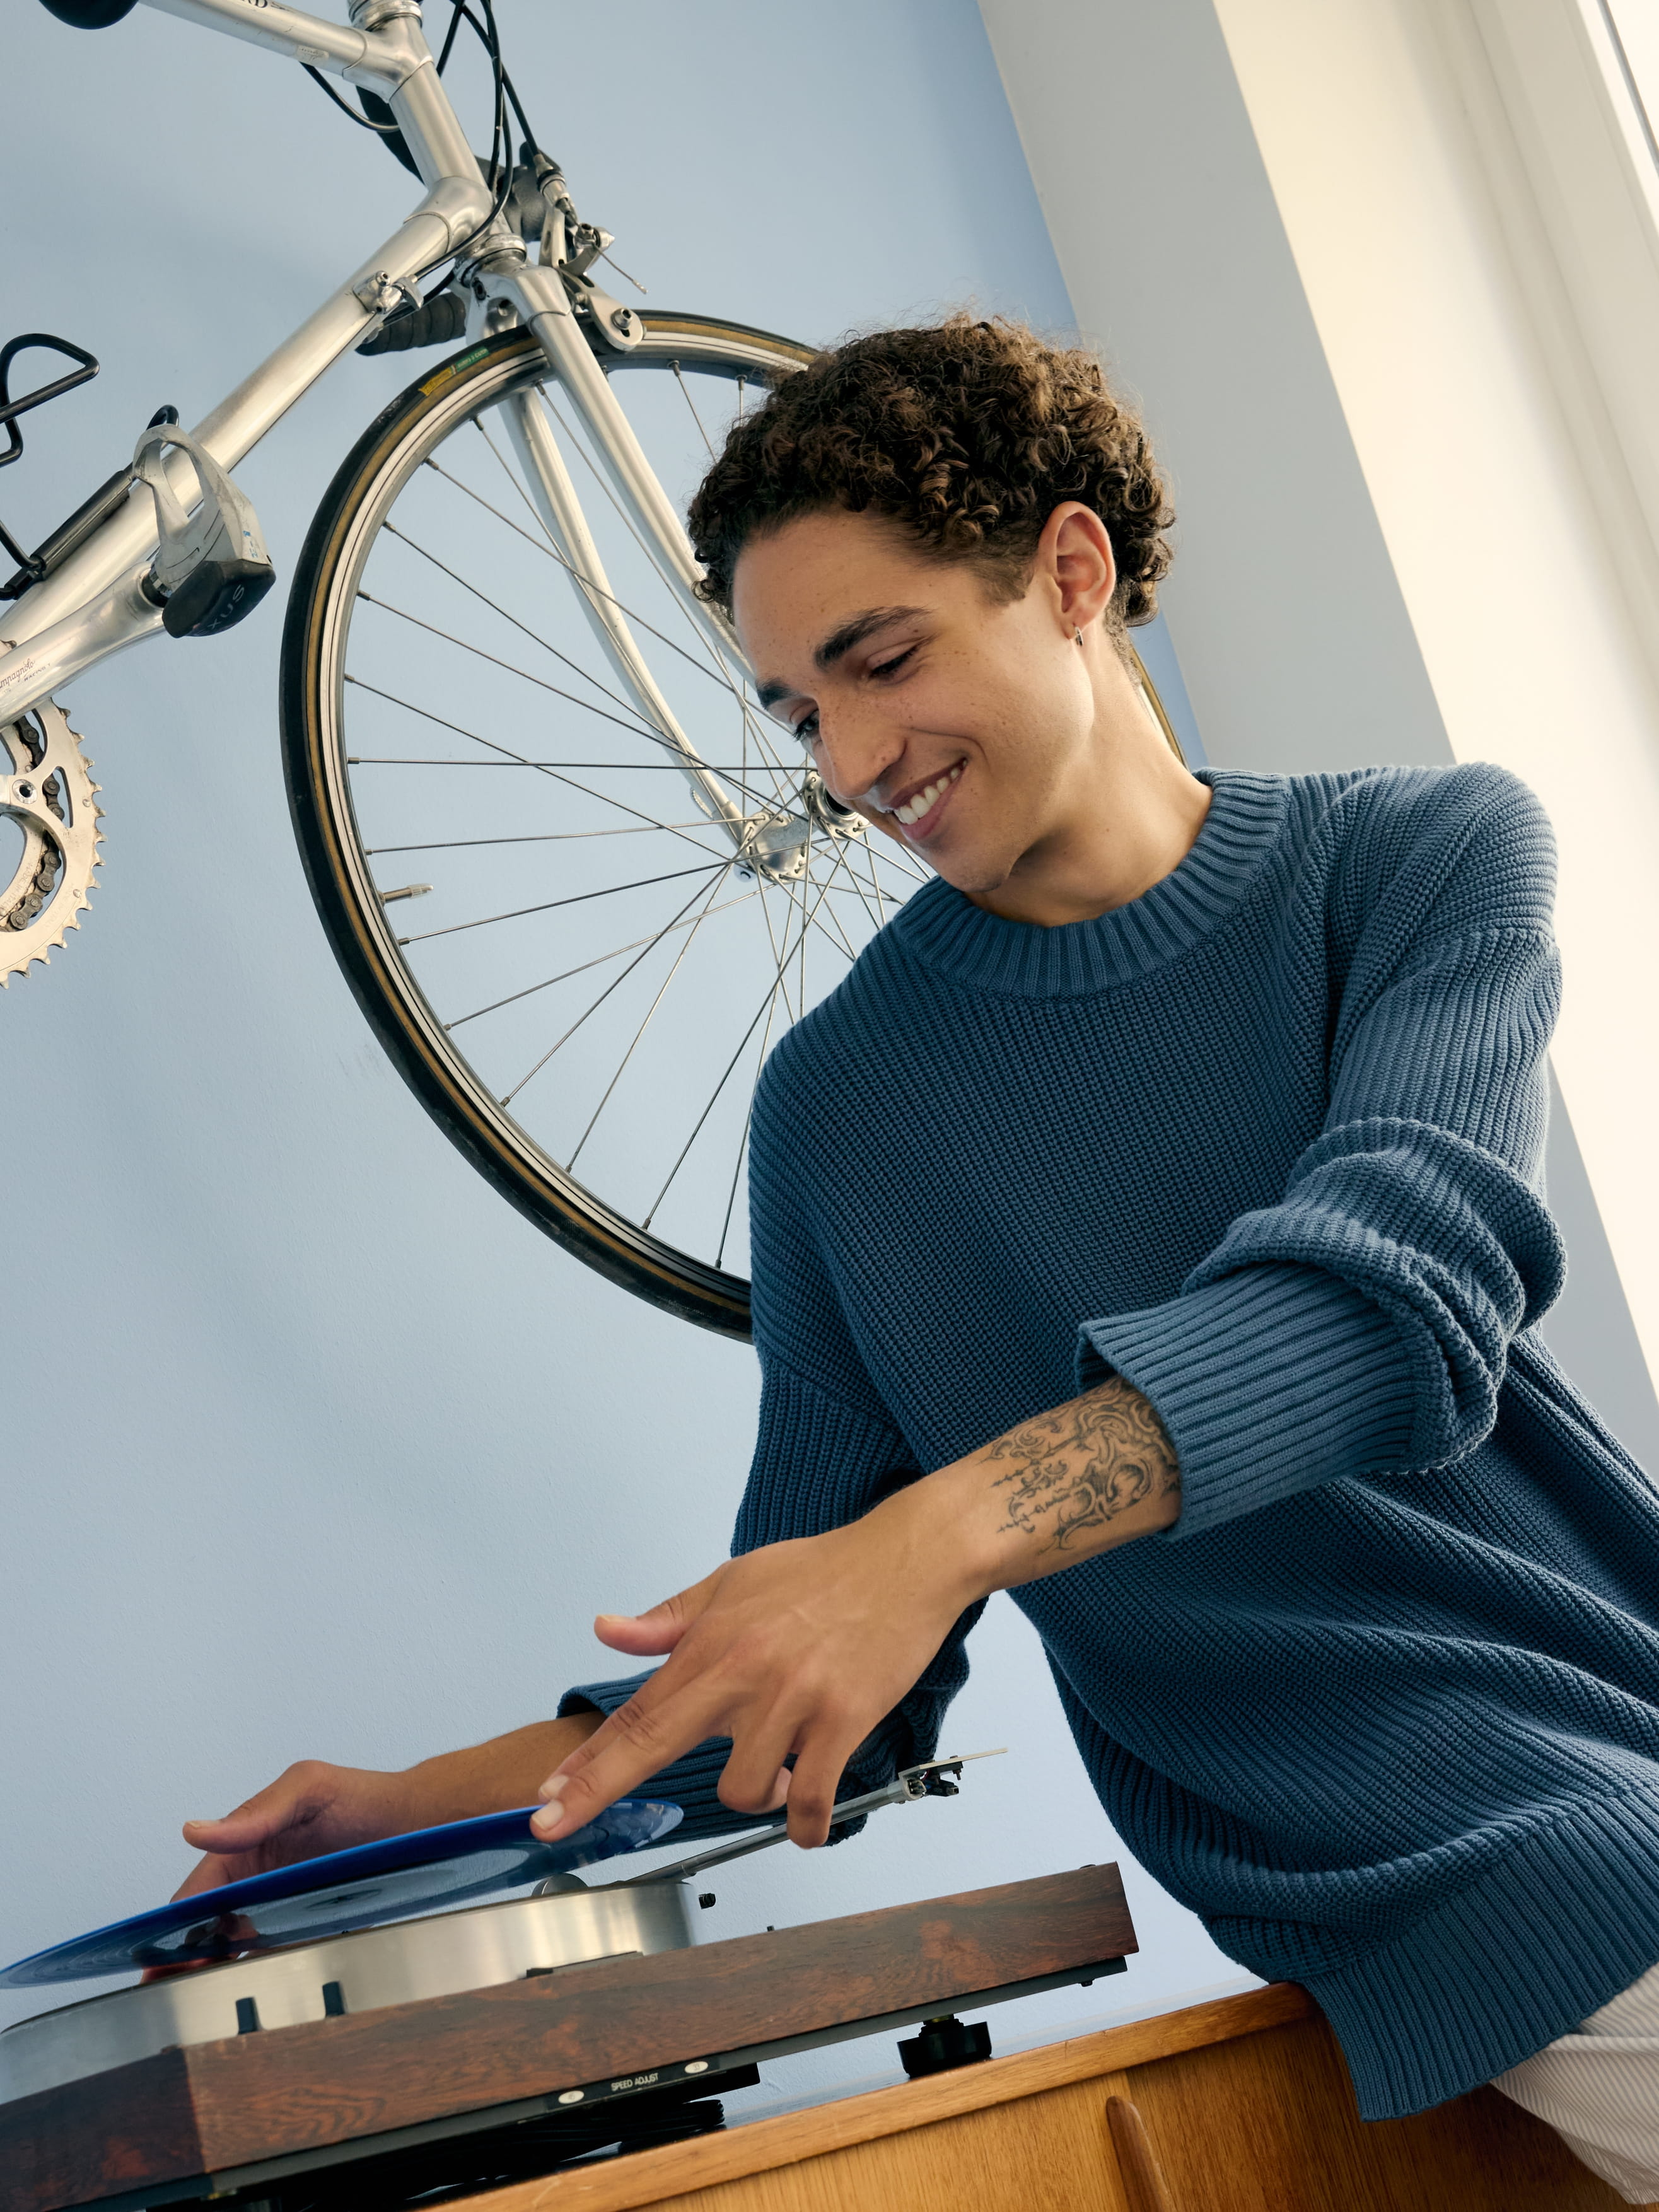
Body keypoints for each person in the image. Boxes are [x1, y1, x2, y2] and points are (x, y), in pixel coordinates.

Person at [175, 318, 1659, 2199]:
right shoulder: (837, 1118)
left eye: (881, 661)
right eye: (799, 714)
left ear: (1068, 573)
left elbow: (1396, 1314)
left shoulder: (1424, 860)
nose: (854, 762)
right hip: (1496, 1882)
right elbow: (838, 1675)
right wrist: (417, 1813)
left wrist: (937, 1533)